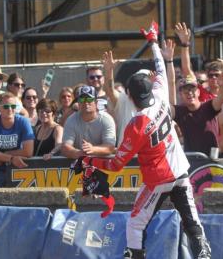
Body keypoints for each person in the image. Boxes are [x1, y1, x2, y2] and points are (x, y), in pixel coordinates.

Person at [82, 27, 211, 259]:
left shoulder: (136, 125)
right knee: (191, 219)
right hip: (180, 171)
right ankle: (203, 253)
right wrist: (152, 40)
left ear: (130, 96)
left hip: (158, 179)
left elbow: (116, 165)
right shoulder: (160, 96)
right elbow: (161, 67)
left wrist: (90, 160)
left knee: (135, 223)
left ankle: (135, 254)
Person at [0, 92, 34, 186]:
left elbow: (28, 151)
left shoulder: (23, 122)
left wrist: (5, 155)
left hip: (17, 167)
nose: (10, 109)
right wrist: (11, 158)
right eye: (6, 106)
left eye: (13, 106)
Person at [60, 85, 116, 159]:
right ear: (78, 103)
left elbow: (110, 147)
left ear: (96, 102)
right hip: (78, 165)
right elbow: (65, 147)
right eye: (82, 100)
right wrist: (79, 153)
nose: (86, 103)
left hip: (103, 165)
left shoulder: (107, 119)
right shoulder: (71, 120)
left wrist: (92, 149)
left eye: (89, 99)